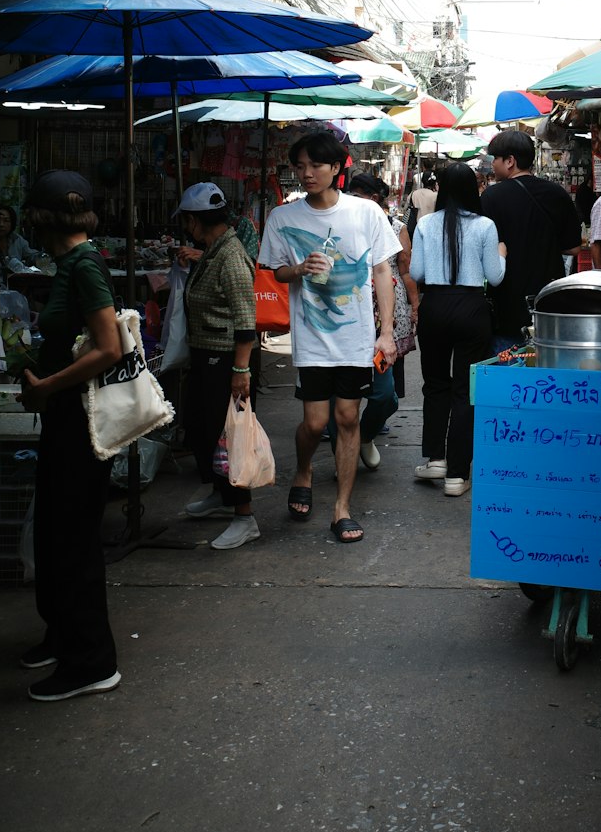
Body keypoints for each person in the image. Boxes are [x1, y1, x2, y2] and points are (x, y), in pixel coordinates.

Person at [260, 129, 400, 544]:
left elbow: (382, 271)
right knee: (315, 422)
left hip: (356, 338)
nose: (307, 173)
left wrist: (387, 333)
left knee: (347, 418)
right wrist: (299, 269)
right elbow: (276, 272)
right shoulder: (283, 218)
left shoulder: (366, 212)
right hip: (312, 338)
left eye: (316, 165)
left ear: (336, 167)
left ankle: (342, 508)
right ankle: (303, 470)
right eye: (300, 166)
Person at [17, 170, 122, 702]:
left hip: (81, 421)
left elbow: (110, 348)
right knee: (55, 534)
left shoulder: (84, 265)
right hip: (66, 417)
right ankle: (62, 635)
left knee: (73, 540)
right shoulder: (70, 264)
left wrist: (47, 386)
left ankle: (92, 662)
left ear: (39, 220)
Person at [411, 161, 505, 494]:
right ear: (473, 189)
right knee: (466, 390)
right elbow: (495, 277)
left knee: (436, 384)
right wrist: (502, 254)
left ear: (441, 189)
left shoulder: (425, 224)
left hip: (435, 306)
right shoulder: (485, 226)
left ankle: (436, 458)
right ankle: (457, 474)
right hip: (471, 308)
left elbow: (417, 273)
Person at [176, 183, 259, 550]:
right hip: (206, 355)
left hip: (225, 359)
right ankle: (220, 493)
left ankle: (244, 515)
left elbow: (245, 319)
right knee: (201, 429)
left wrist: (240, 371)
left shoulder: (231, 255)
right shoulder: (214, 250)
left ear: (194, 221)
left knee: (229, 438)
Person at [481, 129, 582, 351]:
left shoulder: (490, 197)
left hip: (506, 303)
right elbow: (574, 248)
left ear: (510, 161)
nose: (492, 164)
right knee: (547, 367)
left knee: (508, 366)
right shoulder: (557, 194)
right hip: (549, 301)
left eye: (495, 158)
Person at [346, 170, 419, 465]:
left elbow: (405, 270)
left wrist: (414, 305)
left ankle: (367, 432)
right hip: (350, 309)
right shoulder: (343, 223)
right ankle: (345, 448)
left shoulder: (396, 226)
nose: (349, 200)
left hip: (386, 308)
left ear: (373, 198)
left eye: (356, 195)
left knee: (385, 389)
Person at [0, 203, 44, 272]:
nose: (1, 224)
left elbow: (31, 255)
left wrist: (43, 257)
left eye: (6, 220)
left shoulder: (16, 239)